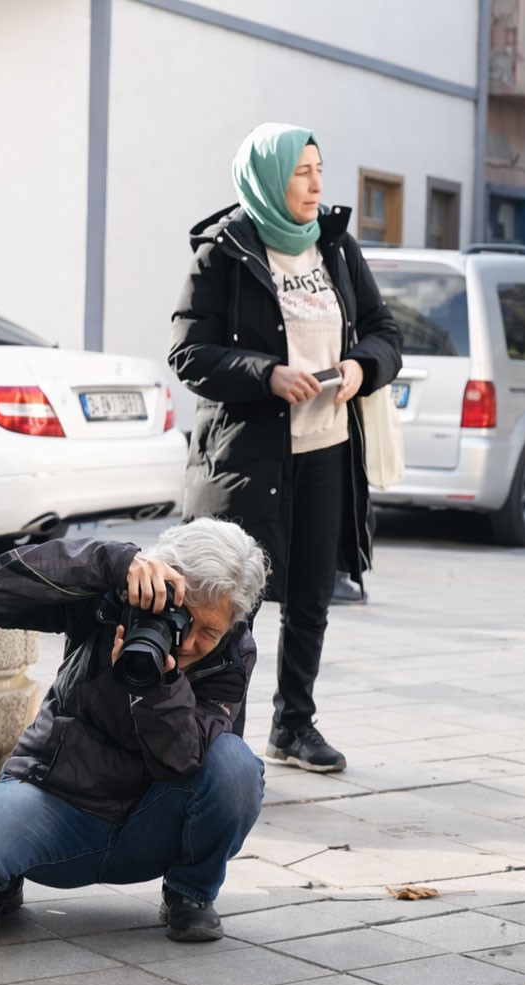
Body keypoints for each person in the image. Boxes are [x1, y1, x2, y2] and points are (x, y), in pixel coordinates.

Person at [168, 123, 401, 773]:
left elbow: (384, 331)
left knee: (311, 596)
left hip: (325, 449)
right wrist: (266, 375)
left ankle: (294, 725)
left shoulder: (335, 246)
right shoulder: (224, 250)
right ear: (269, 178)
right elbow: (189, 353)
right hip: (246, 458)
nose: (317, 184)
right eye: (302, 172)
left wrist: (361, 368)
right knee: (228, 601)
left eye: (320, 169)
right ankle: (221, 737)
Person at [0, 519, 268, 942]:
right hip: (59, 804)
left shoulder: (231, 656)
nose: (187, 642)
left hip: (151, 824)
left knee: (236, 765)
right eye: (181, 619)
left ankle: (191, 893)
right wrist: (111, 564)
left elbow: (184, 758)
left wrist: (157, 691)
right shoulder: (110, 598)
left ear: (232, 627)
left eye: (210, 632)